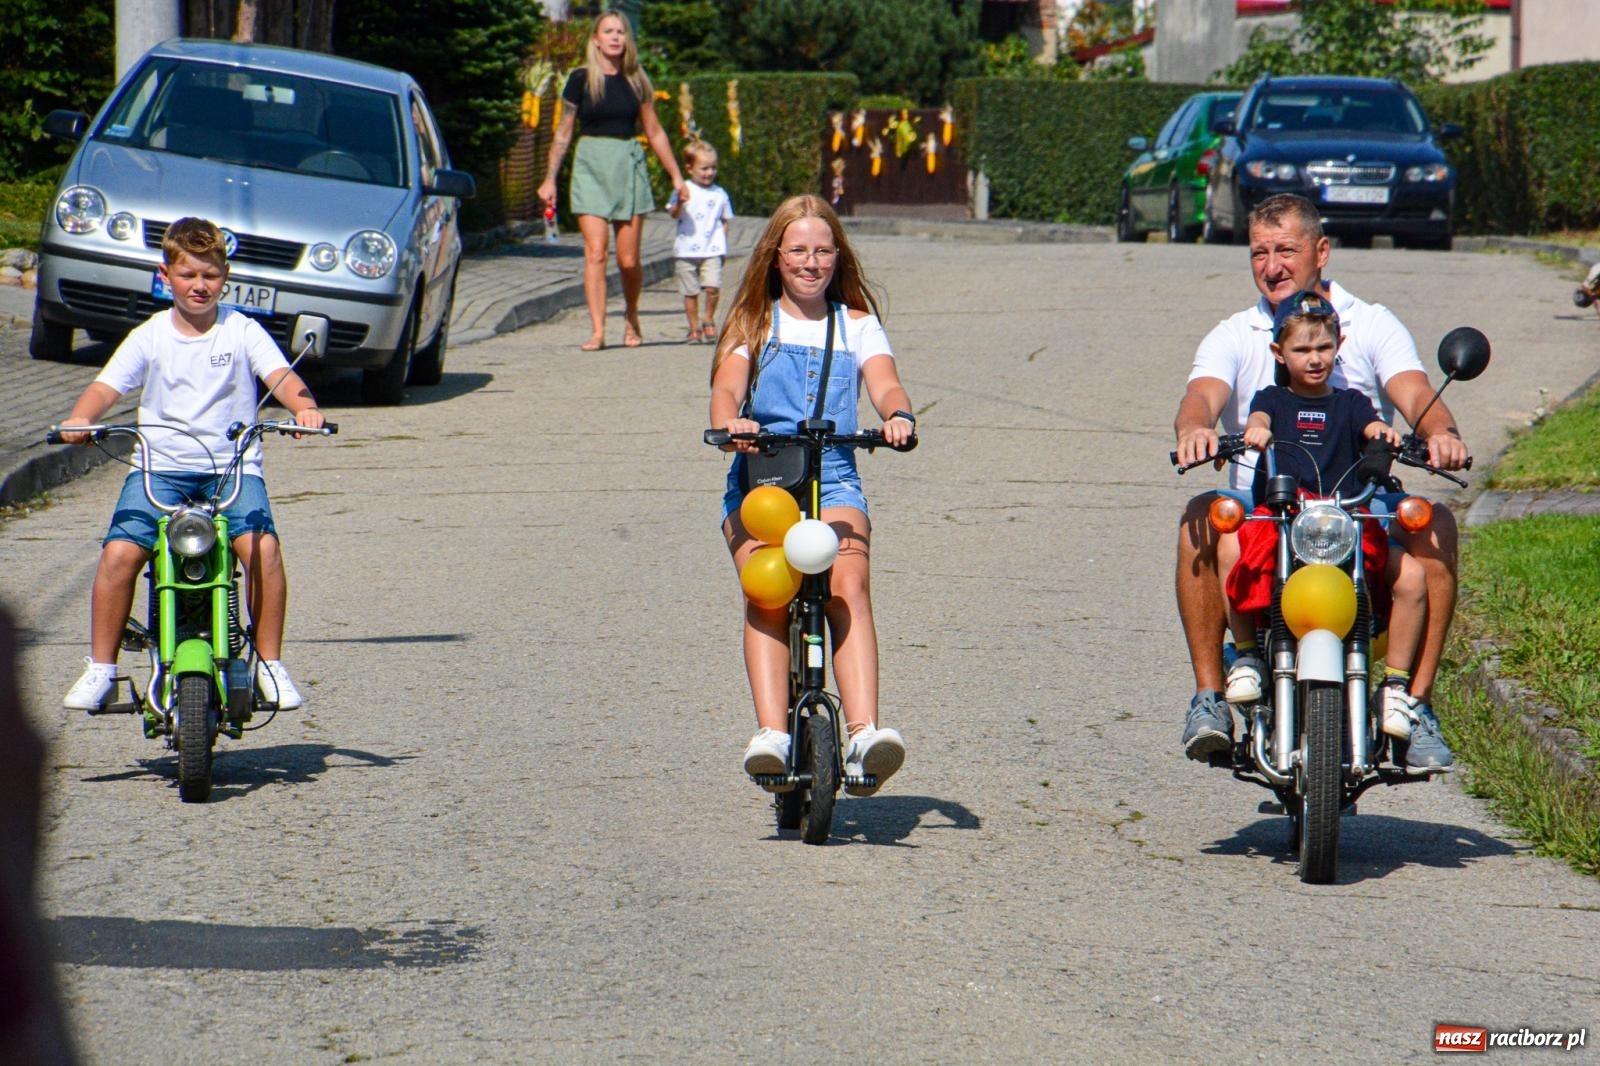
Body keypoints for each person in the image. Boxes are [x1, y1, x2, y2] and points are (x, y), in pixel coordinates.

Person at [1172, 193, 1468, 773]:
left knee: (1437, 526)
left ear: (1322, 251)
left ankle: (1412, 701)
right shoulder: (1240, 331)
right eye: (1260, 252)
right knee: (1198, 518)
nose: (1272, 265)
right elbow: (1200, 396)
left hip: (1358, 496)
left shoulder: (1369, 322)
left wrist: (1443, 435)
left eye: (1287, 249)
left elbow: (1414, 393)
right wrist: (1196, 431)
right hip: (1266, 498)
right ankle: (1211, 695)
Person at [57, 217, 325, 713]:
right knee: (119, 554)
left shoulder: (242, 331)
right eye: (187, 275)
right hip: (158, 470)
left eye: (210, 275)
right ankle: (101, 669)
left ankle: (269, 665)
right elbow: (106, 387)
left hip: (231, 471)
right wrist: (81, 417)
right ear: (166, 276)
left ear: (226, 277)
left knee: (263, 551)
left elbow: (283, 377)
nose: (199, 286)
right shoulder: (149, 335)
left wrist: (303, 406)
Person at [708, 194, 915, 796]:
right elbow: (726, 390)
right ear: (776, 256)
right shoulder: (754, 320)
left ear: (838, 256)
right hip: (763, 472)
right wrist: (734, 426)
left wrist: (897, 414)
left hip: (833, 470)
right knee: (767, 591)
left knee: (848, 581)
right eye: (798, 250)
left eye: (823, 250)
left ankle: (863, 733)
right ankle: (771, 735)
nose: (811, 261)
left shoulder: (855, 323)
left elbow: (885, 381)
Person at [1220, 293, 1430, 772]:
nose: (1314, 358)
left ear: (1340, 345)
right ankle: (1248, 655)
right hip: (1284, 522)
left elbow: (1374, 426)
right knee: (1231, 547)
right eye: (1301, 349)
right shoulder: (1272, 400)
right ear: (1279, 354)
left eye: (1324, 347)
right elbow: (1259, 418)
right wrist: (1254, 430)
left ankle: (1396, 686)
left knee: (1413, 577)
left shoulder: (1352, 403)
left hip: (1344, 524)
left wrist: (1385, 436)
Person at [537, 10, 689, 352]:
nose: (616, 37)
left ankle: (632, 314)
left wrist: (678, 177)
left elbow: (655, 131)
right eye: (608, 31)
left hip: (627, 166)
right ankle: (597, 329)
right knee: (595, 253)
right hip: (590, 165)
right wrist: (550, 179)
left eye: (620, 31)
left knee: (628, 260)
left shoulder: (637, 79)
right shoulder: (579, 79)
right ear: (596, 39)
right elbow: (563, 133)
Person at [667, 140, 733, 344]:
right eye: (704, 168)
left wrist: (722, 241)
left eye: (713, 168)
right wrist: (679, 203)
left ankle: (708, 318)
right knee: (690, 291)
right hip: (686, 249)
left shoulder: (719, 193)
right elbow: (673, 214)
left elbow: (726, 219)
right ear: (689, 168)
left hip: (712, 249)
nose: (709, 172)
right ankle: (693, 326)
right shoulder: (684, 189)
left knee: (712, 287)